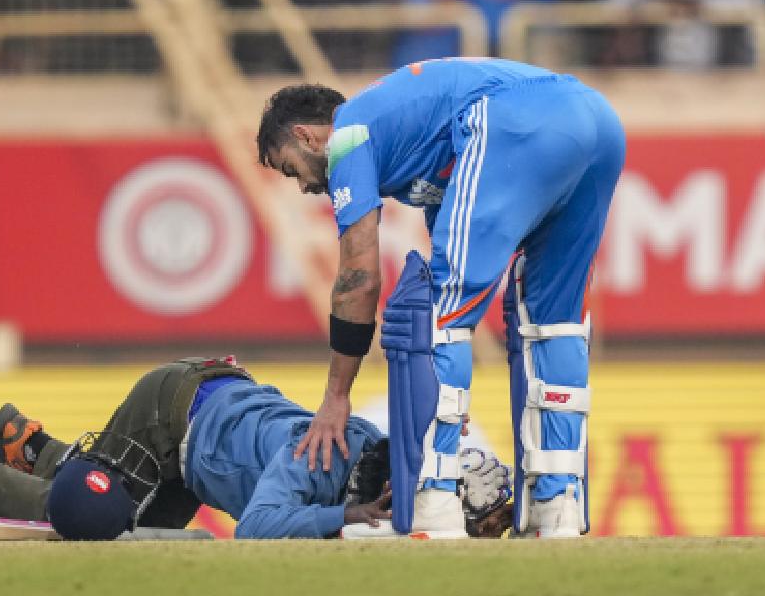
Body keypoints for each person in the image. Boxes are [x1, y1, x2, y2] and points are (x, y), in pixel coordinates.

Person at [256, 57, 625, 539]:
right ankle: (557, 504)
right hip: (598, 119)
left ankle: (434, 496)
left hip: (515, 117)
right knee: (553, 320)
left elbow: (359, 277)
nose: (305, 186)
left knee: (436, 313)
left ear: (306, 136)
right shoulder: (413, 140)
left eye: (291, 169)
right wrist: (446, 392)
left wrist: (336, 397)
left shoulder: (348, 133)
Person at [0, 356, 511, 540]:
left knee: (135, 545)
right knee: (91, 524)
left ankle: (38, 452)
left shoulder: (378, 459)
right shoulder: (315, 458)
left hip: (203, 429)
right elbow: (259, 529)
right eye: (480, 525)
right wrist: (344, 517)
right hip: (173, 421)